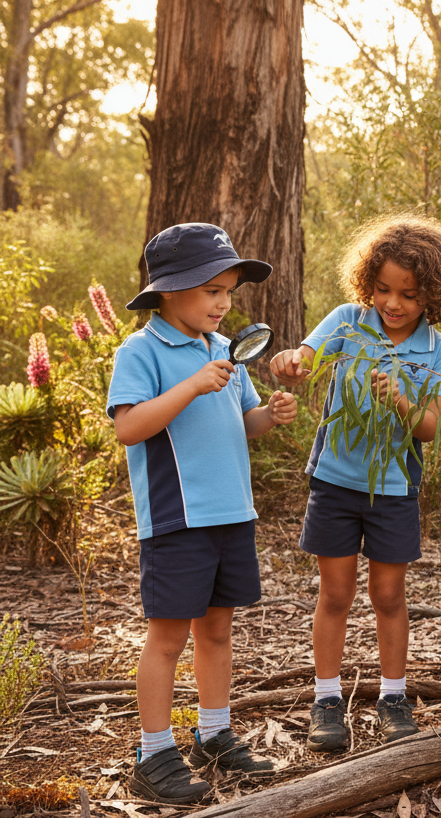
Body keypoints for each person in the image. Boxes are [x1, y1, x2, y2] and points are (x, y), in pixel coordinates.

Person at [109, 223, 297, 803]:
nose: (222, 302)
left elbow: (240, 424)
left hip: (230, 516)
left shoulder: (222, 350)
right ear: (168, 291)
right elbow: (129, 427)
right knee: (167, 638)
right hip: (177, 520)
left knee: (218, 630)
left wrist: (271, 413)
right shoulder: (141, 351)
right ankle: (154, 752)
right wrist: (190, 386)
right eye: (210, 290)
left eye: (229, 291)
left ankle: (213, 734)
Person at [268, 215, 441, 752]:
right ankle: (326, 698)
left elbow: (429, 427)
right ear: (367, 284)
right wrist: (289, 363)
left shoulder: (439, 349)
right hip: (334, 483)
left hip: (394, 489)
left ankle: (393, 696)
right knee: (334, 594)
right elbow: (303, 362)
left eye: (408, 293)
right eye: (383, 289)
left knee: (388, 594)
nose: (393, 303)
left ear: (435, 293)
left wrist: (399, 400)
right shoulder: (346, 321)